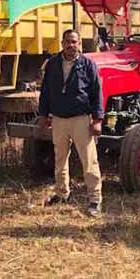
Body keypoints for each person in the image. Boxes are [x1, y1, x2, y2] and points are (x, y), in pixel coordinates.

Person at [37, 29, 105, 218]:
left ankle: (95, 200)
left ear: (79, 44)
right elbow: (45, 91)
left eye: (74, 42)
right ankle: (62, 194)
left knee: (89, 160)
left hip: (81, 119)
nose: (71, 45)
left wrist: (97, 120)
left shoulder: (88, 65)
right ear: (62, 43)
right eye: (67, 41)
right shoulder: (52, 64)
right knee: (60, 159)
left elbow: (97, 92)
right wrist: (43, 115)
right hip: (59, 119)